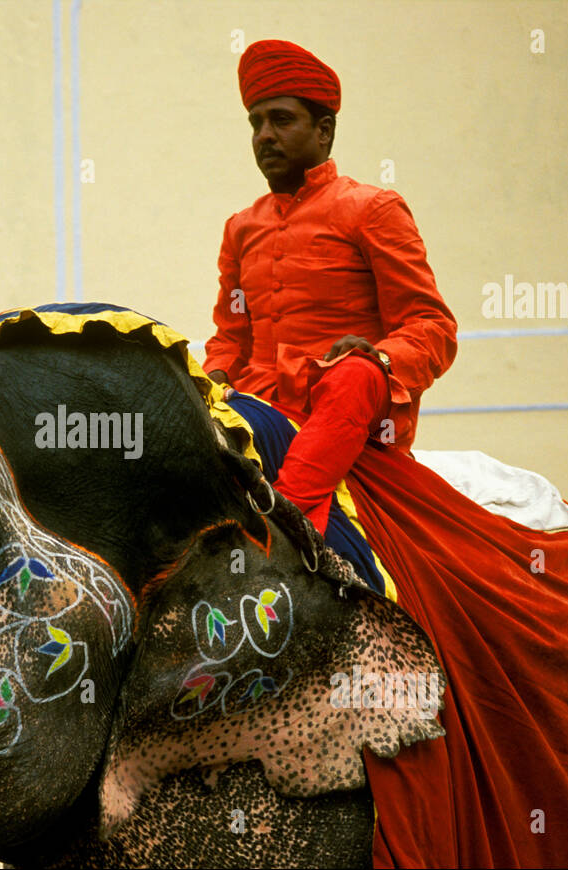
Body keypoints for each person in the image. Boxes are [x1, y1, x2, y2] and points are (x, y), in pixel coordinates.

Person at [204, 39, 457, 537]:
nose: (264, 136)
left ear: (324, 131)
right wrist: (209, 381)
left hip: (345, 409)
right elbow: (230, 338)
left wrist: (378, 360)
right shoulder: (241, 227)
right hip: (259, 405)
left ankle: (291, 519)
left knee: (354, 374)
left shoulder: (373, 209)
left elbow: (432, 327)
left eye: (281, 120)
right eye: (255, 123)